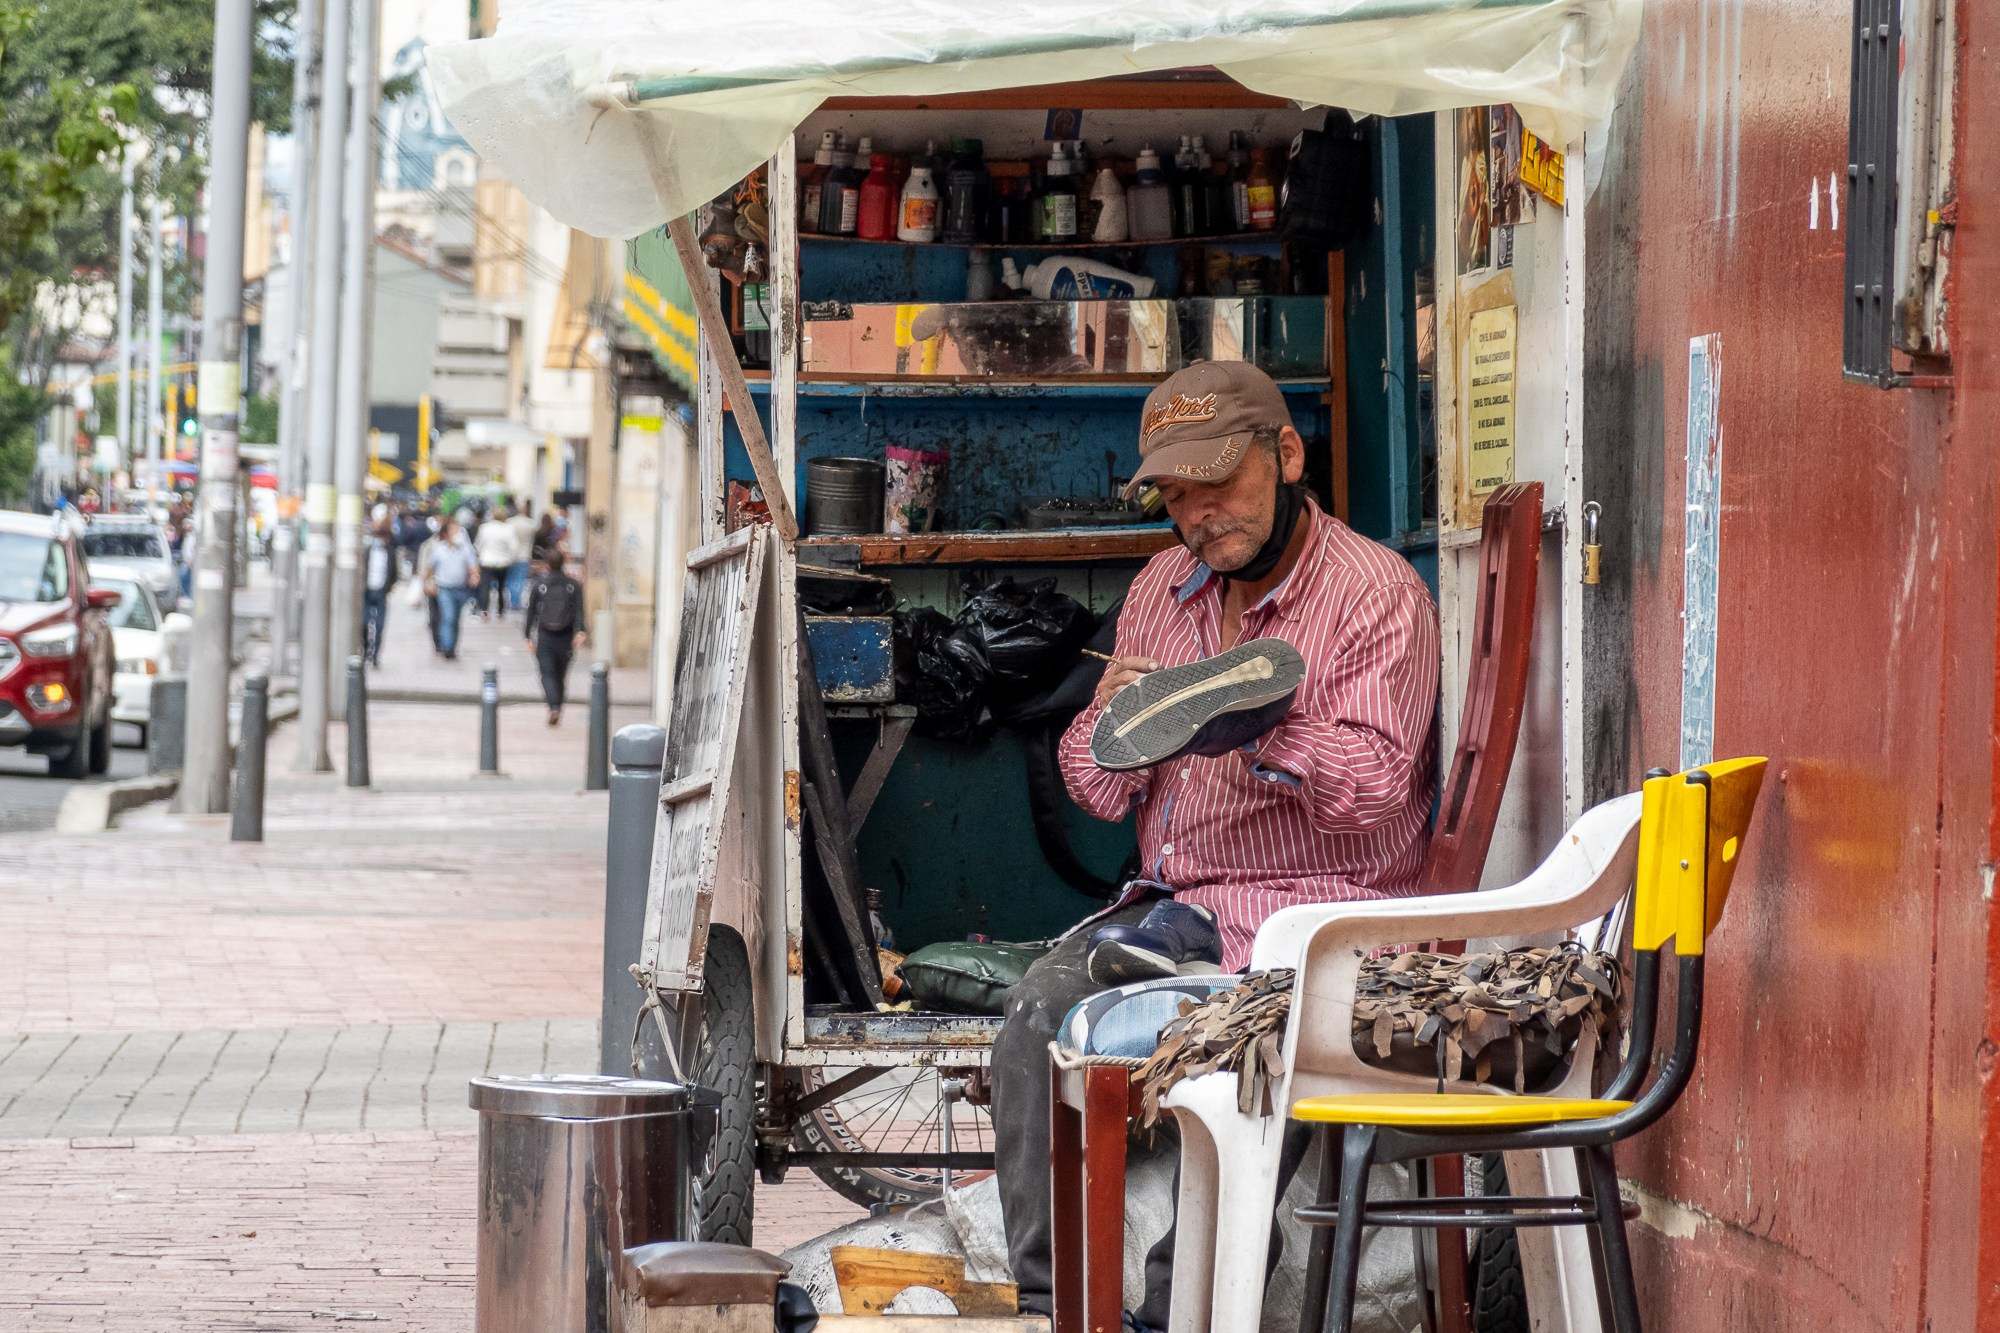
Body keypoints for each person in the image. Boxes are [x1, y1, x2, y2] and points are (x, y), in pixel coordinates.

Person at [990, 362, 1441, 1327]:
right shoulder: (1163, 588)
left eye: (1222, 487)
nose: (1202, 518)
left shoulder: (1375, 592)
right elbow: (1099, 792)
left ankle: (1174, 1312)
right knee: (1035, 1018)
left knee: (1246, 1041)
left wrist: (1251, 720)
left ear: (1286, 456)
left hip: (1317, 920)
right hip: (1173, 911)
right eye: (1179, 499)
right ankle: (1046, 1300)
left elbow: (1375, 793)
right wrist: (1114, 723)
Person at [523, 550, 585, 725]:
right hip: (566, 635)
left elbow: (531, 612)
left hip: (545, 635)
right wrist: (581, 631)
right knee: (561, 674)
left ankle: (554, 706)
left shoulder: (539, 584)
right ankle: (558, 704)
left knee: (547, 673)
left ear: (547, 564)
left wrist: (527, 635)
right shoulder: (573, 585)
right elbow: (579, 609)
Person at [424, 519, 478, 660]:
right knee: (448, 616)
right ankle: (446, 647)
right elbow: (429, 568)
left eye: (458, 530)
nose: (457, 533)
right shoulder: (439, 549)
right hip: (444, 588)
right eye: (454, 530)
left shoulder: (466, 549)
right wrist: (426, 582)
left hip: (461, 588)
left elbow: (473, 567)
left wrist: (474, 576)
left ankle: (452, 646)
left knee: (455, 619)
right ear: (446, 534)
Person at [360, 518, 399, 668]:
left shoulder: (390, 552)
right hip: (367, 591)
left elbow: (394, 573)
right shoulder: (367, 550)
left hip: (381, 592)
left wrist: (388, 588)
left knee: (380, 625)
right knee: (364, 622)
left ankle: (375, 654)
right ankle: (365, 648)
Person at [474, 505, 521, 621]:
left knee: (485, 587)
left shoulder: (485, 528)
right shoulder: (508, 529)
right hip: (503, 562)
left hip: (487, 561)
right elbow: (514, 547)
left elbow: (478, 545)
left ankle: (484, 611)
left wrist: (480, 555)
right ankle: (501, 611)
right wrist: (510, 558)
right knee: (501, 587)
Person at [505, 500, 538, 611]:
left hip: (511, 555)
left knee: (510, 579)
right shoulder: (531, 524)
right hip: (524, 555)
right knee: (520, 580)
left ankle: (513, 600)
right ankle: (516, 601)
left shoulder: (509, 523)